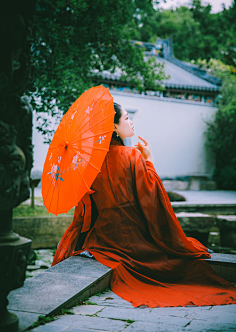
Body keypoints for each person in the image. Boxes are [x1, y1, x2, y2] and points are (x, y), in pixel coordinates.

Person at [52, 102, 236, 308]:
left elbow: (86, 211)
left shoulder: (89, 162)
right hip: (133, 238)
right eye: (127, 117)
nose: (131, 122)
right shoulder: (132, 155)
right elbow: (151, 197)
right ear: (113, 127)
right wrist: (149, 159)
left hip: (102, 239)